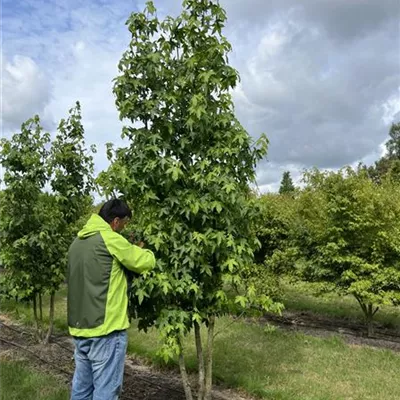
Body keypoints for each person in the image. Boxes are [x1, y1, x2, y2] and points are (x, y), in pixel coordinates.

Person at [67, 199, 155, 400]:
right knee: (106, 392)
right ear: (116, 221)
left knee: (81, 390)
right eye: (124, 224)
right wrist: (145, 250)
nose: (123, 229)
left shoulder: (77, 243)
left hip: (80, 329)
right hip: (106, 331)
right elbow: (143, 261)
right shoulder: (110, 239)